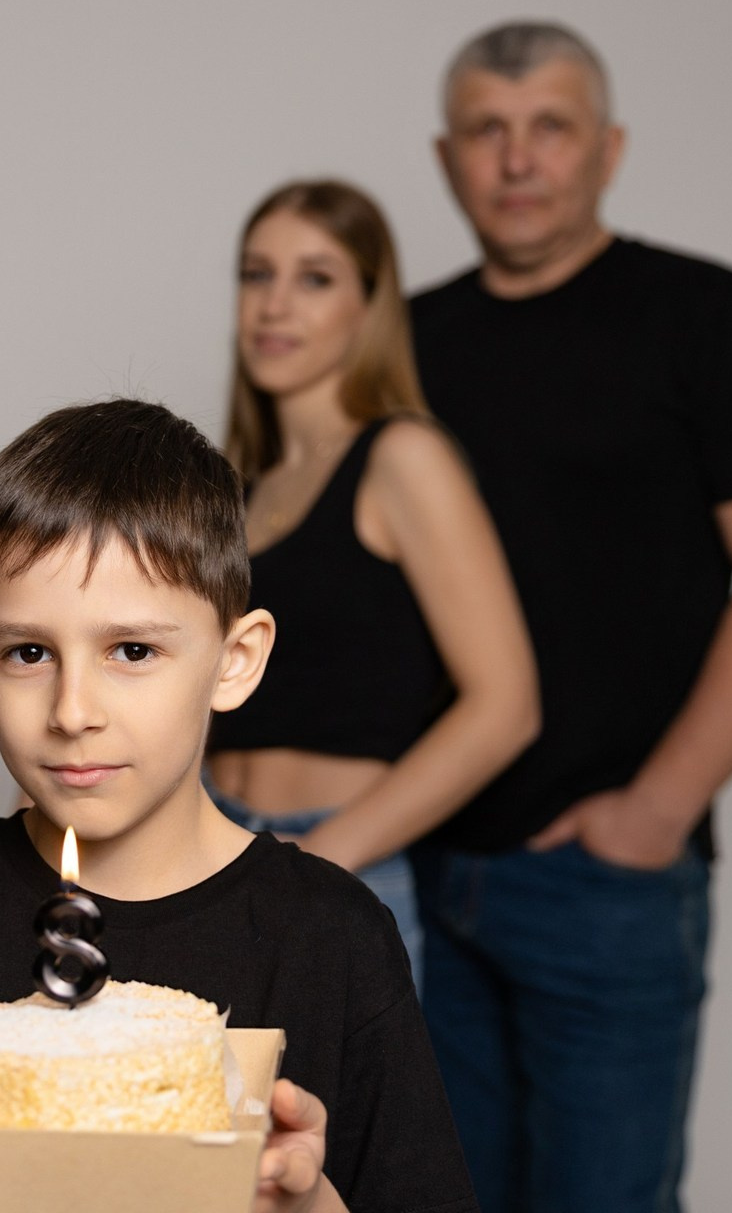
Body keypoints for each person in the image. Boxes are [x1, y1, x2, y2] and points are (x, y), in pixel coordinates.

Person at [0, 398, 480, 1213]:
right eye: (28, 652)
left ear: (235, 662)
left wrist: (303, 1203)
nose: (72, 709)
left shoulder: (330, 937)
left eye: (132, 650)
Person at [409, 20, 732, 1213]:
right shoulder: (405, 343)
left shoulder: (707, 316)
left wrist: (656, 809)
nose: (517, 159)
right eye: (487, 130)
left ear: (608, 148)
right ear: (445, 159)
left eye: (550, 128)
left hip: (605, 883)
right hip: (422, 867)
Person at [205, 179, 539, 984]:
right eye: (258, 274)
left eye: (315, 278)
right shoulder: (236, 487)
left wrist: (324, 860)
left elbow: (506, 707)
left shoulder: (402, 458)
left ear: (369, 307)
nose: (275, 305)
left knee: (332, 1114)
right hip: (212, 851)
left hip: (339, 856)